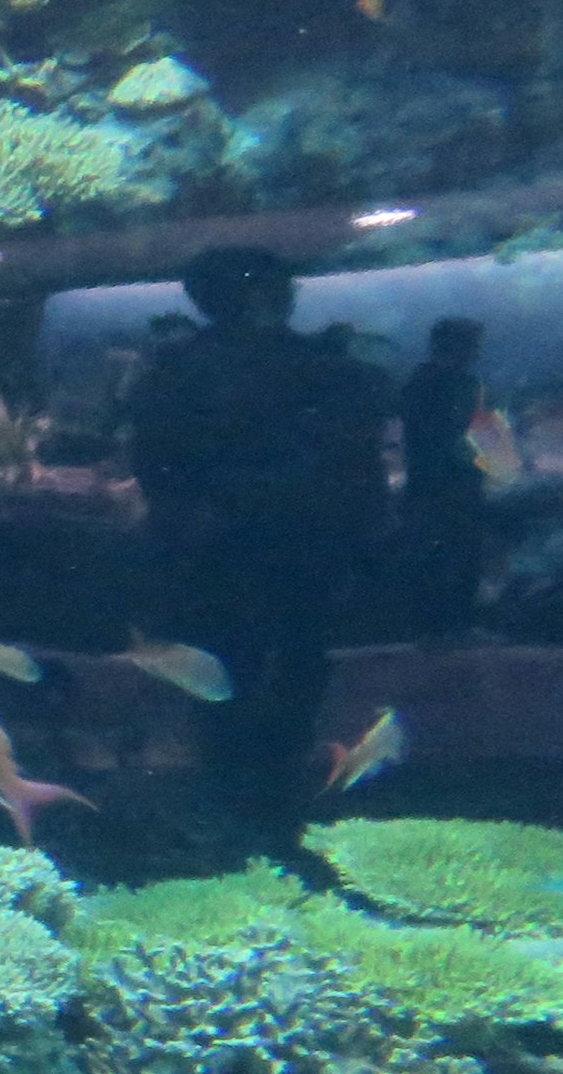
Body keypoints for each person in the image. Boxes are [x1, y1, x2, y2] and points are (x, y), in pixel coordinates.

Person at [123, 246, 392, 804]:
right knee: (286, 657)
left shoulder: (171, 372)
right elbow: (358, 464)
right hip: (291, 542)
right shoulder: (331, 369)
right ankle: (269, 773)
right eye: (274, 286)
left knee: (234, 668)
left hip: (226, 546)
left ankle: (239, 777)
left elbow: (155, 464)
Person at [391, 315, 489, 636]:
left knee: (438, 556)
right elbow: (453, 437)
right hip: (447, 486)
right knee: (453, 555)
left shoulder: (418, 383)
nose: (476, 353)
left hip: (430, 485)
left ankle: (437, 626)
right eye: (472, 345)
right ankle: (453, 625)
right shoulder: (455, 384)